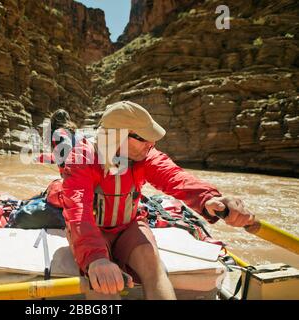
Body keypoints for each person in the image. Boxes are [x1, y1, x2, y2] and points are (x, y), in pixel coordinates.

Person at [61, 101, 255, 300]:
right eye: (144, 138)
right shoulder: (82, 157)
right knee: (103, 284)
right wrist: (96, 258)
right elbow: (78, 210)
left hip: (128, 225)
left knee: (152, 266)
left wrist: (209, 199)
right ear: (117, 135)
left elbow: (174, 176)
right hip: (92, 228)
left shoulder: (144, 156)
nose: (151, 144)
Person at [49, 109, 78, 175]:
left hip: (71, 170)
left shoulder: (56, 133)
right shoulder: (73, 131)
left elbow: (66, 145)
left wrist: (64, 166)